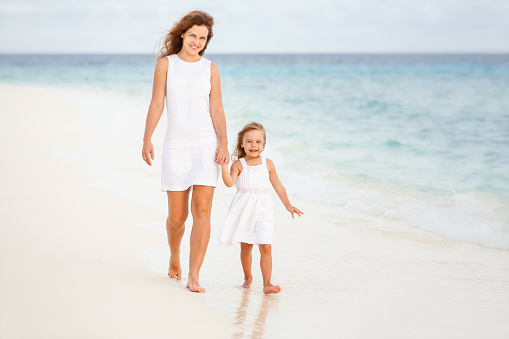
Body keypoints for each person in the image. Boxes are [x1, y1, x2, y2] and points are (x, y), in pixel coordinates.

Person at [141, 10, 228, 293]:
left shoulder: (211, 69)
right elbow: (157, 104)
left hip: (206, 144)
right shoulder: (166, 65)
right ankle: (174, 253)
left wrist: (224, 143)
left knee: (202, 210)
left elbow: (216, 108)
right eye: (193, 35)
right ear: (182, 33)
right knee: (177, 218)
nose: (197, 41)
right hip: (176, 144)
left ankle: (194, 275)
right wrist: (147, 139)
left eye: (202, 38)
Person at [218, 122, 303, 294]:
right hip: (244, 208)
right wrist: (223, 165)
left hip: (264, 208)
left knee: (266, 246)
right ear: (242, 143)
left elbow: (278, 186)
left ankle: (267, 284)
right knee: (246, 247)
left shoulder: (268, 164)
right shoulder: (239, 164)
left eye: (258, 142)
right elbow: (228, 183)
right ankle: (248, 278)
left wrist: (288, 205)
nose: (253, 145)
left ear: (264, 144)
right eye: (249, 141)